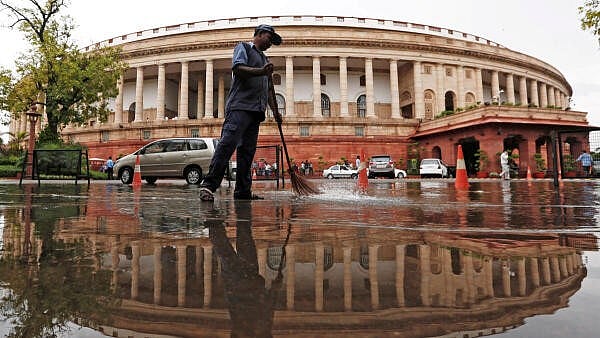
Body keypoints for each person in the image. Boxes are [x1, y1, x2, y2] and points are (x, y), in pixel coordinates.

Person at [199, 24, 282, 201]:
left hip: (256, 112)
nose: (270, 44)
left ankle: (243, 191)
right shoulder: (243, 47)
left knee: (247, 152)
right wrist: (262, 71)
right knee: (227, 144)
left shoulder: (265, 60)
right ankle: (208, 186)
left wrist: (275, 111)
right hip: (240, 107)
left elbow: (268, 90)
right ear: (259, 34)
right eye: (269, 38)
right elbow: (238, 68)